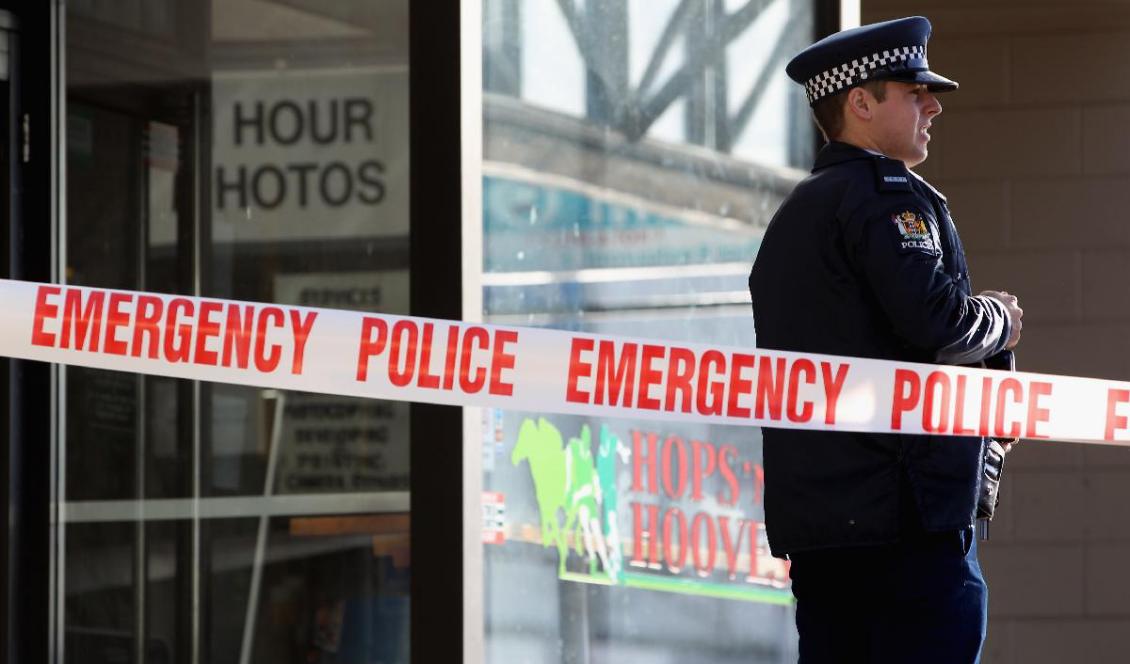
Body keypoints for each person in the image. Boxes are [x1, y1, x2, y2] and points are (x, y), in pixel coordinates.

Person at [748, 16, 1023, 664]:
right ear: (860, 103)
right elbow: (939, 322)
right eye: (912, 90)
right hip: (908, 533)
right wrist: (1001, 319)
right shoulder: (883, 198)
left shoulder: (793, 217)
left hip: (825, 538)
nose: (932, 105)